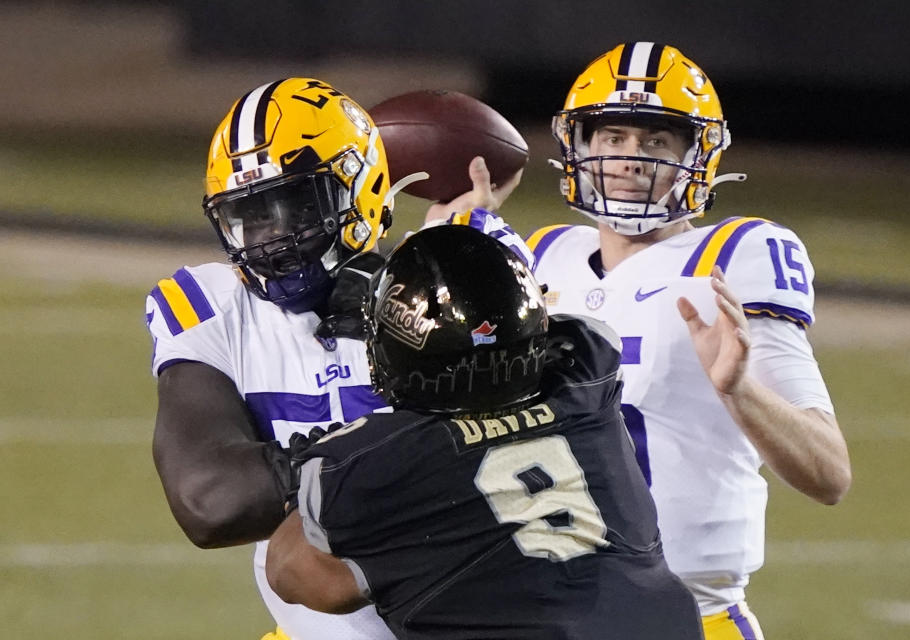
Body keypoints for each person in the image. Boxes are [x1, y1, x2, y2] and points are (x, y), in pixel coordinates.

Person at [512, 42, 851, 637]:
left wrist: (740, 390)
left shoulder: (730, 258)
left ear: (697, 155)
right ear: (579, 146)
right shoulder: (541, 257)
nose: (630, 159)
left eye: (656, 142)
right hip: (544, 616)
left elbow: (828, 474)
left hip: (687, 618)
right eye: (612, 138)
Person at [265, 224, 704, 640]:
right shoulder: (587, 376)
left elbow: (298, 578)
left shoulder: (369, 460)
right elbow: (552, 327)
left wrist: (297, 485)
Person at [145, 78, 403, 640]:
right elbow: (212, 501)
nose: (273, 239)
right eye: (252, 216)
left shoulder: (432, 295)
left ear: (359, 188)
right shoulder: (213, 306)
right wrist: (397, 448)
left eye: (295, 206)